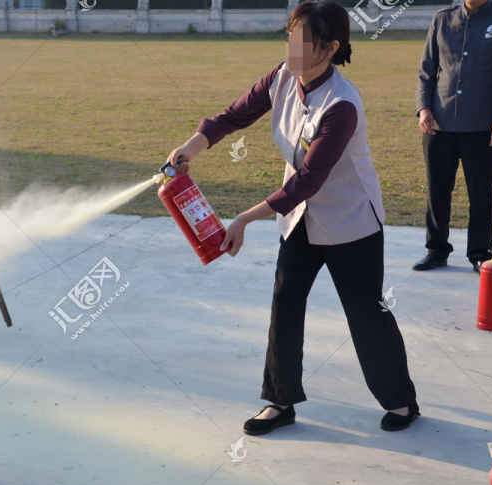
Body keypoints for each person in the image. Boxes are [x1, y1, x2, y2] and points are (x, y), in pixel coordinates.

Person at [167, 0, 417, 435]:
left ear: (330, 47)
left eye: (303, 40)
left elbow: (309, 179)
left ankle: (401, 402)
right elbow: (234, 115)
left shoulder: (342, 104)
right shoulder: (282, 77)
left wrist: (244, 218)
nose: (292, 46)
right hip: (299, 218)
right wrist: (191, 147)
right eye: (290, 36)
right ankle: (280, 401)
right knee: (285, 302)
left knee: (365, 311)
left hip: (349, 221)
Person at [412, 0, 492, 273]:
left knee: (481, 193)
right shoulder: (442, 18)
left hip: (481, 123)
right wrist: (424, 108)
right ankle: (436, 250)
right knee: (437, 190)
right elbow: (427, 70)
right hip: (439, 121)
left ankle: (479, 253)